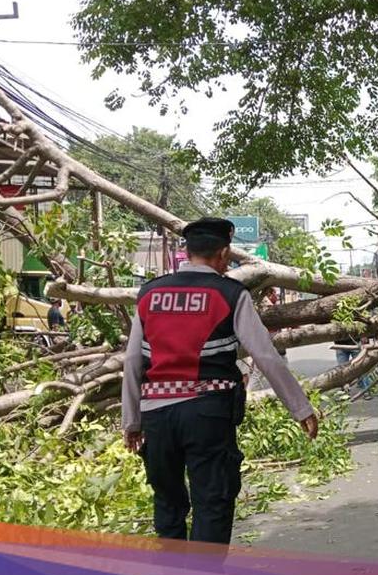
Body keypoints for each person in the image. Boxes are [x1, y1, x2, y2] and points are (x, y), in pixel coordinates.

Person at [121, 218, 319, 543]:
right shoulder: (229, 293)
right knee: (212, 504)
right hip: (207, 416)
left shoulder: (149, 293)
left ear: (187, 252)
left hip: (156, 418)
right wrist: (301, 409)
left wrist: (131, 422)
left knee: (168, 506)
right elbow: (266, 355)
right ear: (224, 252)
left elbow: (132, 361)